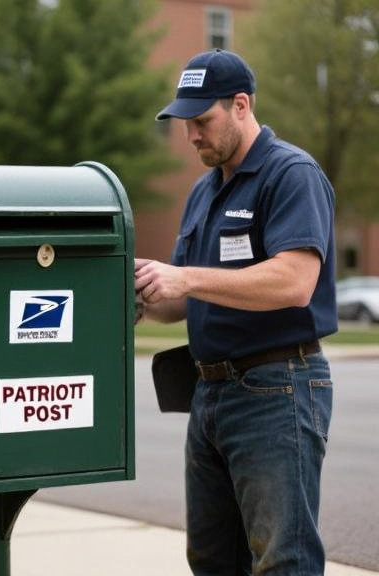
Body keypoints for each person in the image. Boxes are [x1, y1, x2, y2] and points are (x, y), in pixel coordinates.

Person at [134, 49, 337, 576]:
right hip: (208, 395)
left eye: (202, 120)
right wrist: (140, 293)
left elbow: (295, 281)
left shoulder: (290, 173)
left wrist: (185, 276)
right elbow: (181, 299)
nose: (191, 135)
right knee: (211, 559)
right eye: (185, 123)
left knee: (282, 560)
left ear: (241, 105)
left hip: (276, 390)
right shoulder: (204, 191)